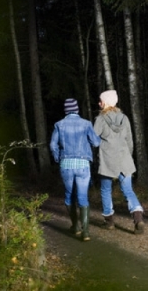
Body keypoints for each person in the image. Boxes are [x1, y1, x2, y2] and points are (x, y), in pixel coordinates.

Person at [93, 90, 145, 234]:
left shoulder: (100, 119)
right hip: (124, 158)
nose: (99, 103)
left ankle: (109, 221)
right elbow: (130, 141)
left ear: (106, 103)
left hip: (107, 159)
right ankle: (138, 218)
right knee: (128, 190)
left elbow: (93, 139)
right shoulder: (124, 118)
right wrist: (128, 155)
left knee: (105, 189)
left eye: (101, 101)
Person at [50, 98, 101, 241]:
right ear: (77, 109)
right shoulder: (86, 124)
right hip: (83, 165)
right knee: (82, 197)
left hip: (66, 164)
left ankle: (76, 227)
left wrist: (58, 157)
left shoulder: (59, 125)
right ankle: (86, 232)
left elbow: (52, 145)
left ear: (66, 110)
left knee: (69, 196)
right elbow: (96, 142)